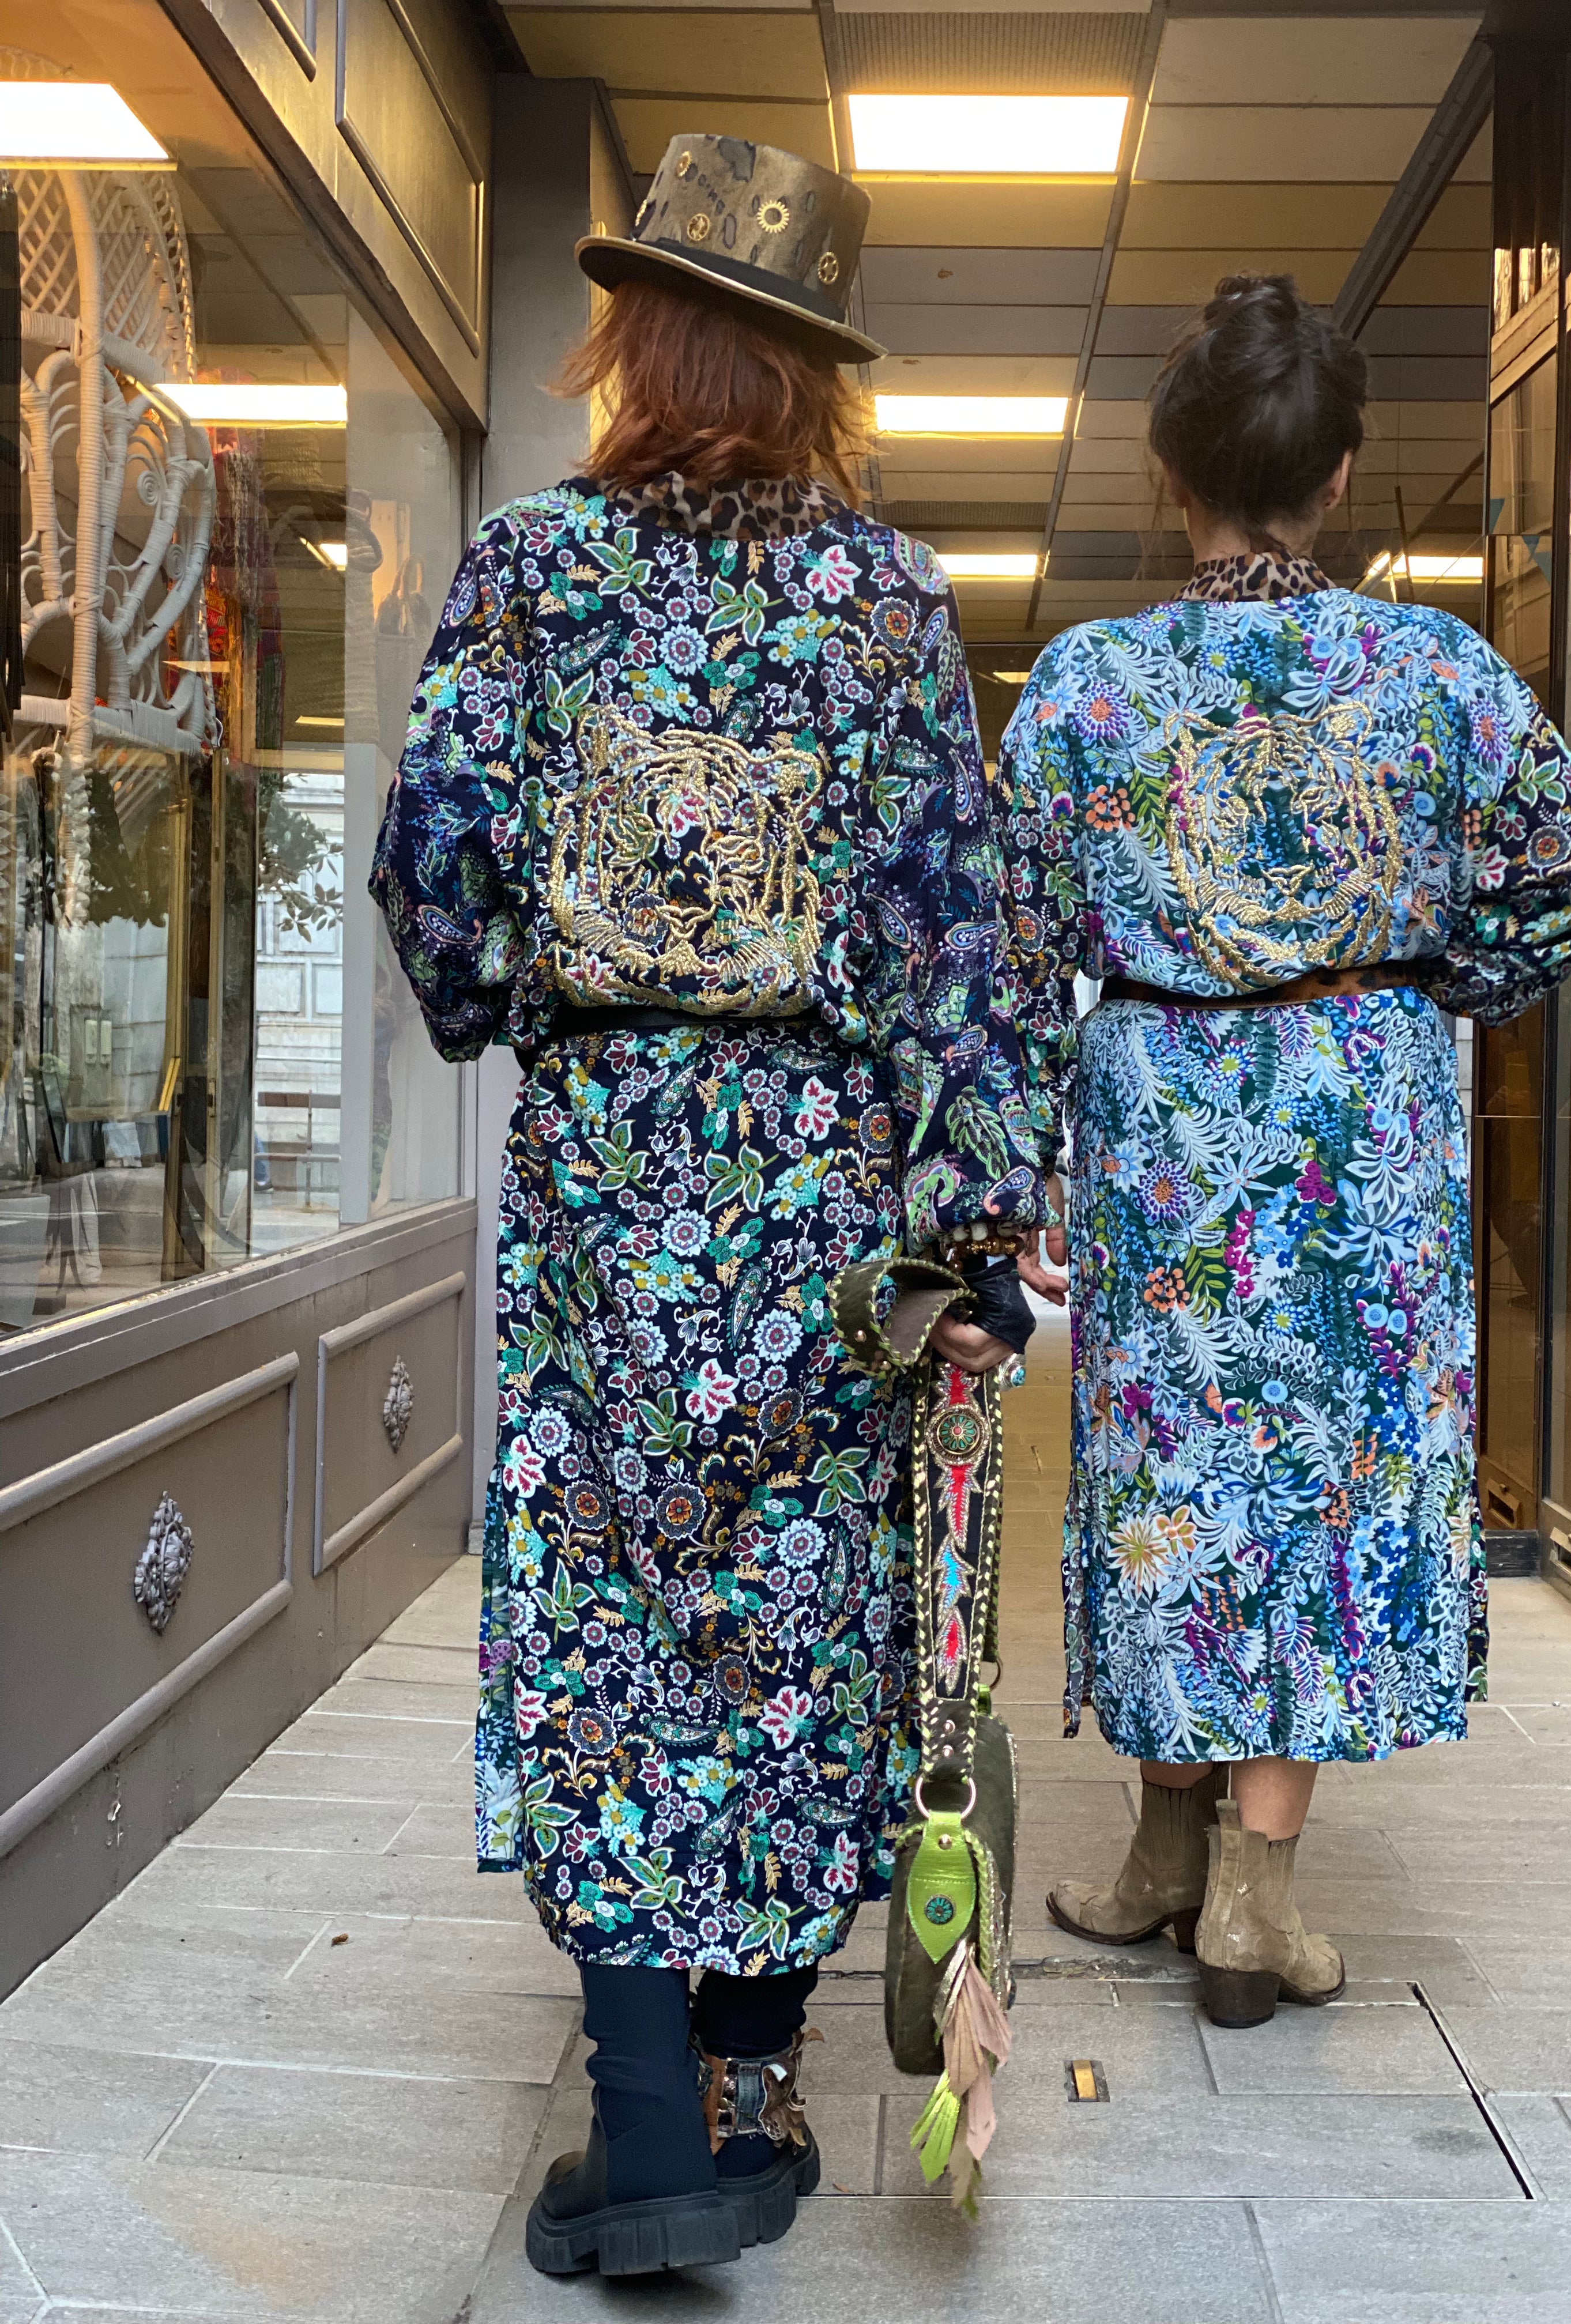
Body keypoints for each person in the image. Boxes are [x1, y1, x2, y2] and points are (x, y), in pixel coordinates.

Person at [368, 135, 1050, 2277]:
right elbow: (967, 945)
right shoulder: (886, 603)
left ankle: (654, 2109)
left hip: (601, 1193)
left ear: (633, 337)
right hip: (822, 1215)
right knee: (792, 1625)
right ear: (818, 374)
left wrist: (514, 1002)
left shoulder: (526, 573)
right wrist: (965, 1244)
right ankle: (739, 2091)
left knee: (606, 1617)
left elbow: (438, 877)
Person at [997, 273, 1571, 2028]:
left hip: (1163, 1115)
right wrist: (1439, 982)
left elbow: (1008, 934)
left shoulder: (1086, 685)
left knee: (1170, 1470)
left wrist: (1033, 1154)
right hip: (1361, 1104)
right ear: (1339, 476)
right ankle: (1251, 1897)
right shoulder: (1435, 670)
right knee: (1330, 1479)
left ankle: (1161, 1854)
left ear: (1166, 472)